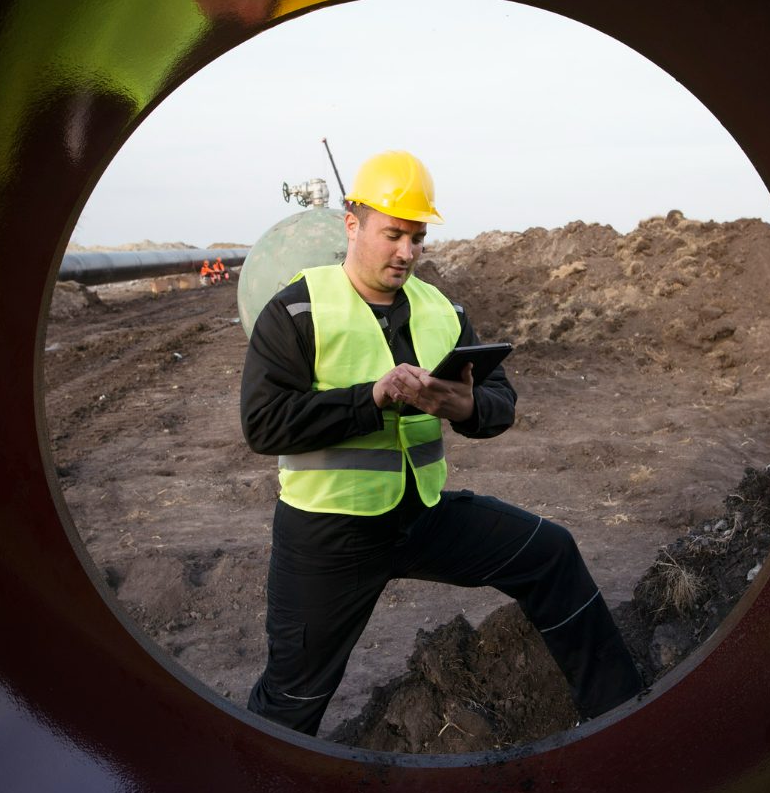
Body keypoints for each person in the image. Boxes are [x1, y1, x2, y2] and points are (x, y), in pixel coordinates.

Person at [240, 149, 643, 736]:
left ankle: (623, 719)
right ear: (351, 225)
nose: (406, 252)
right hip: (328, 535)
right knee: (292, 698)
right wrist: (370, 399)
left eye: (417, 237)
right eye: (393, 234)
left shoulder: (443, 310)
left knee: (551, 553)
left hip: (422, 517)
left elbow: (499, 402)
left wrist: (469, 406)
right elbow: (264, 424)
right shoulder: (297, 310)